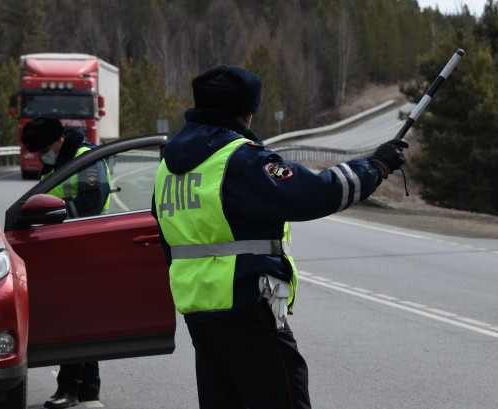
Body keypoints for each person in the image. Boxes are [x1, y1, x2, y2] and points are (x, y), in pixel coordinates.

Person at [151, 65, 408, 409]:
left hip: (199, 310)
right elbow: (314, 193)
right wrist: (375, 166)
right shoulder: (238, 159)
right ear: (247, 113)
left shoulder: (168, 167)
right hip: (245, 304)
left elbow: (167, 235)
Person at [21, 116, 110, 409]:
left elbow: (90, 204)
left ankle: (69, 389)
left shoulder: (86, 159)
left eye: (44, 148)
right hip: (64, 250)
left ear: (59, 140)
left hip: (86, 248)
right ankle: (88, 390)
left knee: (72, 321)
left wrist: (51, 216)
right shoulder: (55, 162)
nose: (41, 155)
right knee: (79, 320)